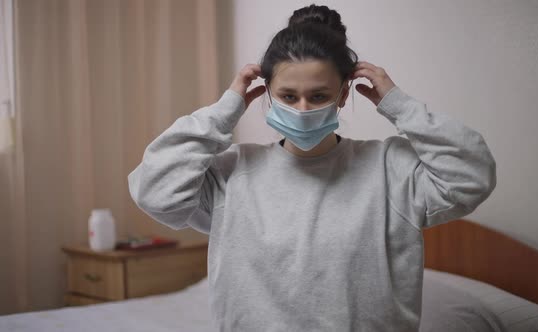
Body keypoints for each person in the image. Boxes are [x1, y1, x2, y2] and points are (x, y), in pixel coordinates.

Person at [128, 4, 496, 331]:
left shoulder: (390, 169)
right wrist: (225, 111)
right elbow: (154, 191)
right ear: (267, 93)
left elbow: (472, 174)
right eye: (289, 96)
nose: (303, 109)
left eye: (318, 96)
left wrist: (398, 104)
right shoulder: (232, 173)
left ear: (343, 95)